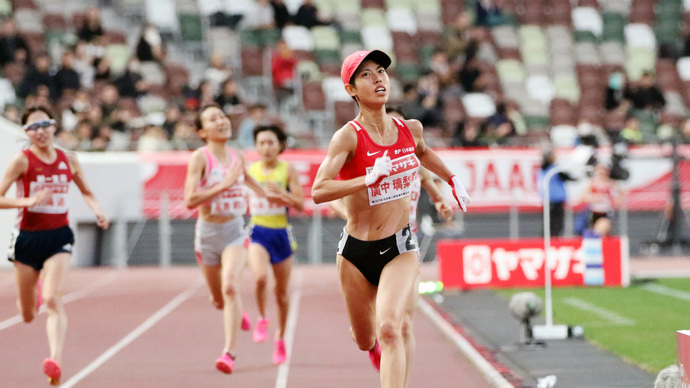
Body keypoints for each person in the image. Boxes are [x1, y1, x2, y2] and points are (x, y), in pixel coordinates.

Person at [311, 50, 470, 388]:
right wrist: (366, 180)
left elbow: (424, 153)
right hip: (355, 252)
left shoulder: (409, 129)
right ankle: (367, 342)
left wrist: (452, 181)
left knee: (390, 329)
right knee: (365, 339)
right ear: (351, 89)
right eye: (366, 75)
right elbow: (319, 190)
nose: (378, 78)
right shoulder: (348, 136)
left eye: (381, 71)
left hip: (399, 247)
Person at [0, 105, 109, 385]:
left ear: (54, 126)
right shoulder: (22, 161)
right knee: (27, 314)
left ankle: (55, 362)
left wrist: (97, 209)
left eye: (44, 124)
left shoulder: (69, 160)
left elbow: (86, 190)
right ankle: (32, 294)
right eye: (32, 127)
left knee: (53, 298)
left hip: (58, 236)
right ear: (26, 132)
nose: (40, 131)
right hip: (26, 238)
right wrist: (26, 201)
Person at [183, 104, 275, 374]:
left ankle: (229, 353)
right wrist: (223, 185)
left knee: (231, 287)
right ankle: (238, 313)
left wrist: (267, 194)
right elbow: (190, 200)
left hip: (234, 231)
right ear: (202, 131)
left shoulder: (237, 156)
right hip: (208, 234)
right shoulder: (200, 159)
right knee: (218, 300)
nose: (221, 121)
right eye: (213, 119)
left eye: (222, 116)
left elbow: (245, 178)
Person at [246, 124, 304, 365]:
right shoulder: (251, 170)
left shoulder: (287, 170)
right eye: (261, 143)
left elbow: (300, 203)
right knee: (259, 278)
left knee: (281, 294)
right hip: (258, 232)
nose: (266, 147)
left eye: (270, 142)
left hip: (281, 234)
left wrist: (283, 194)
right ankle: (261, 318)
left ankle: (280, 338)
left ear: (280, 145)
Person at [538, 150, 575, 238]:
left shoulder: (543, 169)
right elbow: (567, 177)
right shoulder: (554, 169)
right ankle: (554, 240)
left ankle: (547, 239)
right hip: (556, 200)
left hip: (547, 200)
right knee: (556, 223)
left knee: (547, 223)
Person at [580, 162, 624, 237]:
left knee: (602, 229)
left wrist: (616, 200)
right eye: (600, 173)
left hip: (606, 213)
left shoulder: (611, 184)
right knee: (597, 232)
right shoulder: (592, 185)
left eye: (604, 173)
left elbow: (621, 196)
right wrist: (594, 198)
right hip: (594, 213)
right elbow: (582, 197)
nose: (602, 176)